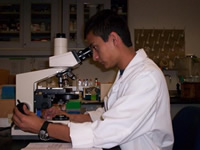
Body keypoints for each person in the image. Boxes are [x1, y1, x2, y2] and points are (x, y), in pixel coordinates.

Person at [12, 9, 174, 150]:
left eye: (95, 47)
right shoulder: (128, 74)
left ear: (114, 39)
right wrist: (67, 116)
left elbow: (107, 132)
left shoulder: (146, 77)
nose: (95, 57)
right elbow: (107, 115)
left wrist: (42, 127)